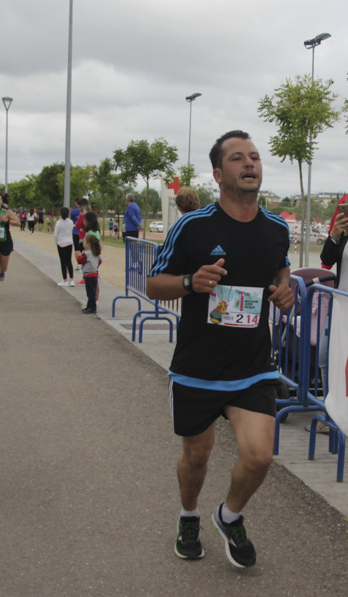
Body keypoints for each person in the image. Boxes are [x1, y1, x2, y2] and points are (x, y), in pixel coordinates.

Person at [146, 130, 293, 569]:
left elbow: (281, 272)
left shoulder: (277, 228)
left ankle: (229, 516)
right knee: (198, 454)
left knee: (260, 455)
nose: (249, 164)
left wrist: (284, 291)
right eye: (237, 158)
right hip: (198, 367)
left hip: (252, 366)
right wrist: (192, 282)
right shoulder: (193, 226)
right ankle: (189, 515)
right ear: (217, 173)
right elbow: (154, 284)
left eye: (254, 157)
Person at [77, 234, 102, 314]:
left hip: (89, 275)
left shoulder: (86, 254)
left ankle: (92, 308)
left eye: (84, 242)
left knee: (90, 293)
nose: (83, 244)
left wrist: (81, 255)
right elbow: (99, 261)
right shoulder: (96, 253)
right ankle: (90, 306)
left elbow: (80, 261)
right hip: (94, 274)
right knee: (92, 292)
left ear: (88, 244)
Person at [53, 206, 76, 286]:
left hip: (61, 242)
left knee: (63, 261)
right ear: (68, 213)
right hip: (69, 242)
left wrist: (56, 242)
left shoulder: (58, 222)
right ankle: (72, 279)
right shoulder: (70, 222)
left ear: (60, 214)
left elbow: (55, 235)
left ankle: (65, 280)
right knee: (69, 261)